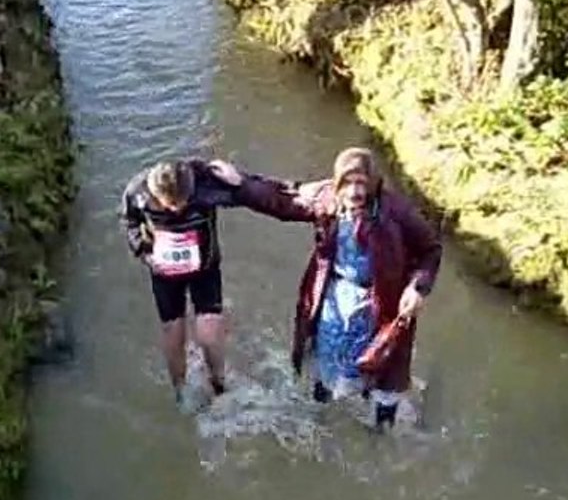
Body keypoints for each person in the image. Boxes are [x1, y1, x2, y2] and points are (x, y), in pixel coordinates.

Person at [229, 147, 442, 429]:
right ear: (338, 182)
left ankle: (381, 431)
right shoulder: (327, 199)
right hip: (335, 297)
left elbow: (430, 249)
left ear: (374, 183)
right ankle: (320, 415)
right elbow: (282, 198)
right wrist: (240, 183)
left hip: (382, 303)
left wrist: (417, 287)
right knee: (325, 360)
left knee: (384, 368)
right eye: (348, 183)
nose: (354, 192)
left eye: (362, 184)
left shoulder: (397, 212)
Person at [120, 157, 252, 407]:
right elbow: (129, 223)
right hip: (164, 271)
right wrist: (144, 252)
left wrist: (239, 182)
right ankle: (179, 389)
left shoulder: (205, 184)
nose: (178, 210)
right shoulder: (136, 192)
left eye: (184, 203)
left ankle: (219, 384)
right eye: (171, 206)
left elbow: (250, 197)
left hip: (204, 268)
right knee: (173, 331)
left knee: (209, 332)